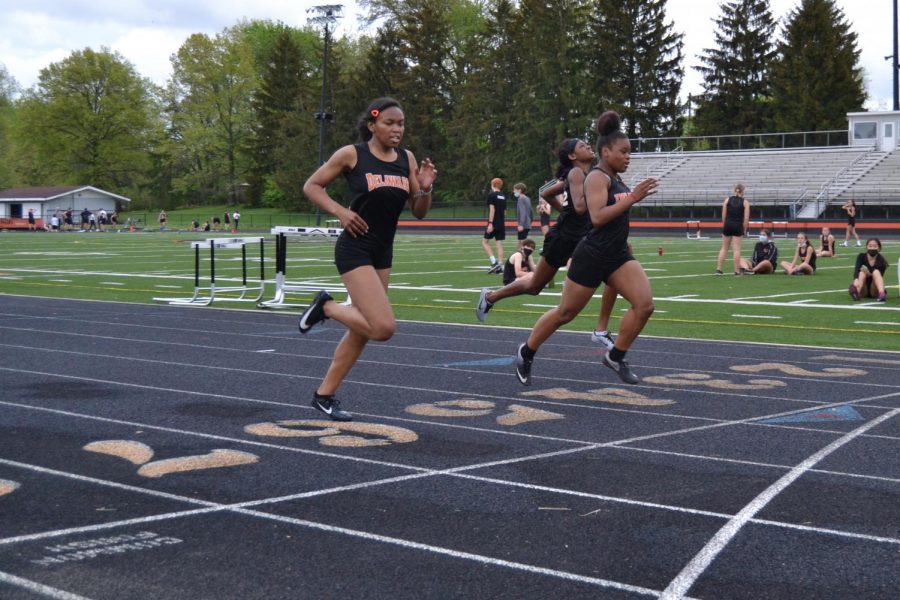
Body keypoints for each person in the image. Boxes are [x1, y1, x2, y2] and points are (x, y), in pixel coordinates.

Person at [298, 97, 437, 421]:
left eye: (401, 123)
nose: (397, 129)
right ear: (372, 124)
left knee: (363, 331)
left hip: (382, 252)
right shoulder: (352, 154)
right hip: (355, 247)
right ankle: (327, 307)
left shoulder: (406, 158)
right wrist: (341, 212)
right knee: (383, 327)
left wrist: (426, 189)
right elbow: (312, 185)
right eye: (390, 123)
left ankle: (324, 394)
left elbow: (418, 211)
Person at [514, 111, 658, 387]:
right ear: (606, 151)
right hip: (591, 255)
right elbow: (598, 217)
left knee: (644, 305)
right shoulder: (596, 177)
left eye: (630, 152)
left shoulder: (616, 178)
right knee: (565, 314)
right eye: (623, 152)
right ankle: (527, 350)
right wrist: (634, 198)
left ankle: (615, 356)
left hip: (616, 255)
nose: (628, 157)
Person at [715, 183, 750, 275]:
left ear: (735, 190)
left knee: (724, 248)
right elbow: (746, 218)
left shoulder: (727, 200)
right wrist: (744, 229)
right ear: (743, 191)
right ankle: (736, 270)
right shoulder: (745, 202)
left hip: (728, 224)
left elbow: (723, 215)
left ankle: (719, 269)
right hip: (738, 225)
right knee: (736, 249)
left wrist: (725, 224)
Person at [481, 178, 507, 273]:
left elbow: (492, 210)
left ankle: (494, 262)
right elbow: (505, 212)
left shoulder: (492, 195)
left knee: (485, 242)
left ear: (493, 185)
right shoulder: (503, 196)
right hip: (501, 222)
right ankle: (500, 264)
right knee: (499, 243)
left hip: (494, 222)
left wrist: (490, 223)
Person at [514, 183, 533, 252]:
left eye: (515, 190)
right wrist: (530, 222)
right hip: (527, 223)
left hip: (523, 224)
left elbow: (523, 212)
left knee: (522, 243)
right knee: (520, 242)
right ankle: (518, 258)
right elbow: (531, 212)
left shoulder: (521, 199)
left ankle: (523, 259)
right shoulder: (528, 198)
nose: (514, 192)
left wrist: (521, 224)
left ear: (519, 190)